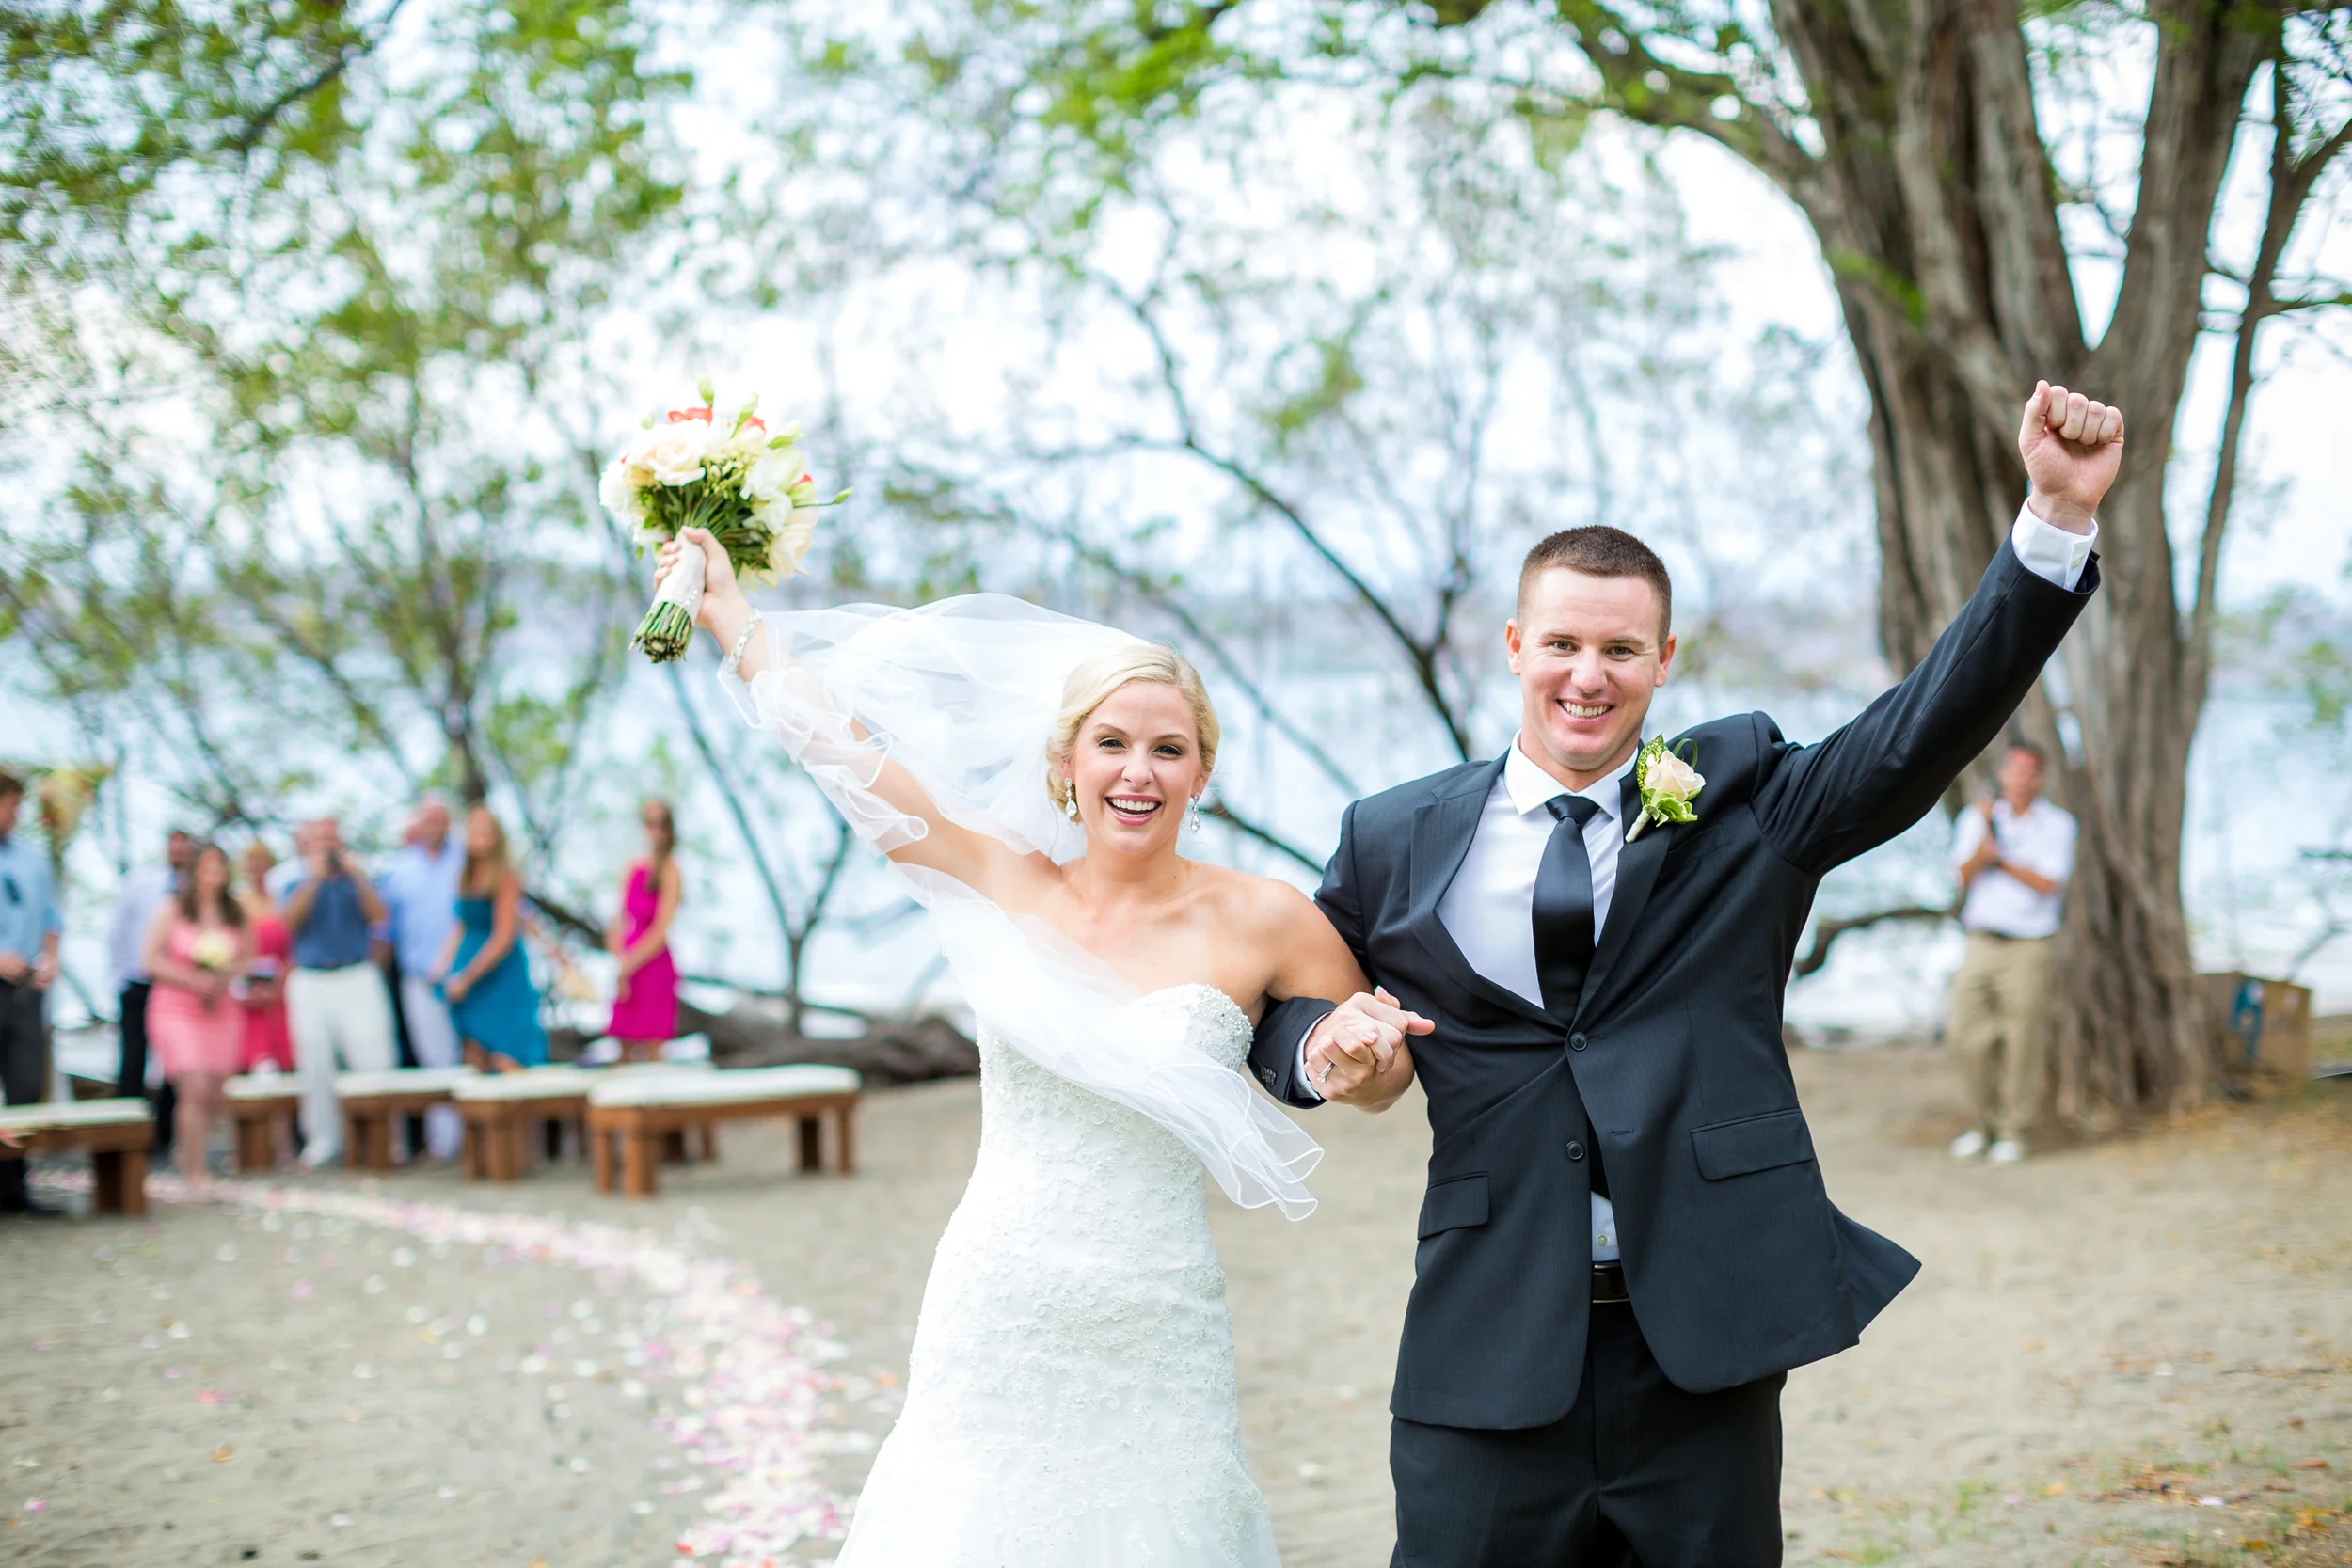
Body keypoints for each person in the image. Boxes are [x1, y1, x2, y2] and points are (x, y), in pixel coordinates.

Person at [1232, 383, 2123, 1567]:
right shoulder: (1394, 833)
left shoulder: (1744, 806)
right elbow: (1287, 990)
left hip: (1700, 1339)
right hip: (1484, 1334)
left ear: (1663, 659)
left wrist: (2052, 524)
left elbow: (1917, 731)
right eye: (1559, 642)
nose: (1585, 676)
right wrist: (1318, 1046)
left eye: (1617, 648)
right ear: (1513, 646)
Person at [653, 514, 1376, 1566]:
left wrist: (1364, 1059)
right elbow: (843, 755)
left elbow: (1369, 1069)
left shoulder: (1267, 917)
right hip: (999, 1295)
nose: (1138, 771)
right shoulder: (998, 879)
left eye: (1167, 748)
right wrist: (728, 611)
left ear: (1201, 770)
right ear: (1066, 762)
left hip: (1156, 1308)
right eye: (1113, 743)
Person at [1946, 740, 2077, 1164]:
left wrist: (2000, 861)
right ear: (2002, 775)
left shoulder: (2057, 825)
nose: (2019, 778)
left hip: (2028, 944)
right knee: (1966, 1036)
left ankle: (2014, 1130)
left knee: (2023, 1038)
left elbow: (2047, 884)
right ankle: (1980, 1124)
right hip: (1980, 940)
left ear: (2039, 778)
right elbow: (1961, 878)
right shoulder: (1976, 818)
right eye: (2013, 770)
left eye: (2029, 771)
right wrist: (1983, 845)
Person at [282, 817, 398, 1167]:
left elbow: (380, 917)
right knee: (315, 1063)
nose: (328, 846)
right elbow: (289, 923)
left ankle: (384, 1140)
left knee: (375, 1058)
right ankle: (323, 1140)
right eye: (321, 840)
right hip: (311, 979)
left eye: (333, 839)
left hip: (356, 974)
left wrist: (357, 876)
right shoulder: (294, 881)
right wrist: (315, 877)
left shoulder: (358, 880)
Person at [141, 841, 251, 1192]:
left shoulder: (236, 912)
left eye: (220, 866)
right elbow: (151, 960)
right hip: (176, 1007)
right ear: (193, 871)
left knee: (215, 1093)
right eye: (207, 866)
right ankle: (196, 1173)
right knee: (194, 1085)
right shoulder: (173, 908)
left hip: (221, 1009)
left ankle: (185, 1150)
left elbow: (248, 957)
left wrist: (224, 979)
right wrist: (193, 980)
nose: (214, 873)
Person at [377, 796, 465, 1154]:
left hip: (471, 976)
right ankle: (447, 1145)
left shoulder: (465, 860)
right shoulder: (398, 872)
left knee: (474, 1053)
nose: (434, 826)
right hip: (419, 979)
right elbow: (385, 932)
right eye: (428, 819)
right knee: (435, 1061)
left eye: (441, 819)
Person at [432, 806, 548, 1071]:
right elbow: (459, 924)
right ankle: (480, 1114)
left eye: (487, 832)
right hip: (467, 974)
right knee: (474, 1054)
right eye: (475, 831)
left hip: (498, 975)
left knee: (507, 1056)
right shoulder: (463, 875)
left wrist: (467, 978)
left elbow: (504, 937)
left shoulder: (506, 875)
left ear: (497, 838)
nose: (480, 837)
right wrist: (442, 966)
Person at [0, 772, 64, 1217]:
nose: (15, 815)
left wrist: (52, 960)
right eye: (10, 805)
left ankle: (15, 1189)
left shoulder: (33, 858)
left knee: (25, 1086)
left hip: (25, 991)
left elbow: (51, 917)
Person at [106, 828, 192, 1148]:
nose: (179, 851)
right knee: (132, 1059)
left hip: (179, 988)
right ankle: (123, 1136)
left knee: (174, 1062)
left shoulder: (196, 893)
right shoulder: (141, 884)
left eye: (185, 846)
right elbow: (117, 933)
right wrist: (119, 979)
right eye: (175, 844)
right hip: (138, 984)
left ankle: (163, 1137)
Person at [606, 798, 683, 1062]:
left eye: (661, 823)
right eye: (650, 823)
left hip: (653, 964)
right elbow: (618, 919)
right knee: (622, 1048)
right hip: (628, 962)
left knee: (653, 1050)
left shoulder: (671, 871)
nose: (655, 830)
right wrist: (620, 962)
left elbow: (661, 928)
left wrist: (630, 964)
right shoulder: (632, 867)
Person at [238, 840, 295, 1074]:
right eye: (253, 863)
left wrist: (282, 980)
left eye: (263, 862)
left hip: (282, 988)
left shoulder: (284, 900)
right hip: (250, 990)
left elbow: (293, 946)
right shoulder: (237, 903)